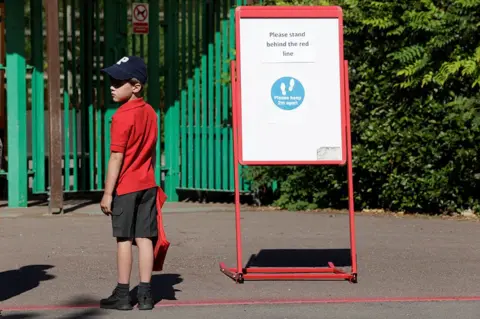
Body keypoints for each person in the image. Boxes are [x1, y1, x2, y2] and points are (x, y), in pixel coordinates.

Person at [99, 56, 159, 311]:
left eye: (117, 81)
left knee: (124, 239)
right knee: (145, 238)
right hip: (147, 184)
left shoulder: (122, 116)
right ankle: (145, 294)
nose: (111, 86)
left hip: (126, 186)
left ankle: (123, 294)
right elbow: (152, 152)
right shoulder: (151, 113)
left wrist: (107, 193)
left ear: (135, 86)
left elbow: (116, 157)